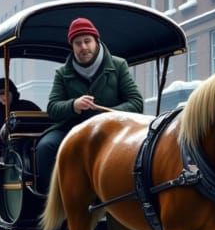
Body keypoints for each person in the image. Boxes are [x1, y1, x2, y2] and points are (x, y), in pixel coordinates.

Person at [35, 17, 143, 191]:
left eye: (87, 41)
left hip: (112, 129)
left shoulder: (118, 65)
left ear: (96, 41)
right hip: (72, 129)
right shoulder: (62, 73)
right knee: (46, 147)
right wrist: (74, 105)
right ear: (72, 46)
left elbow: (136, 103)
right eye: (78, 43)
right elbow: (53, 108)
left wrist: (109, 115)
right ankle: (53, 202)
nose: (83, 47)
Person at [0, 77, 41, 155]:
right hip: (5, 153)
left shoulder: (28, 106)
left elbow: (42, 121)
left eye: (7, 92)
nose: (4, 96)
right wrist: (2, 133)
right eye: (1, 93)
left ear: (12, 92)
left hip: (32, 145)